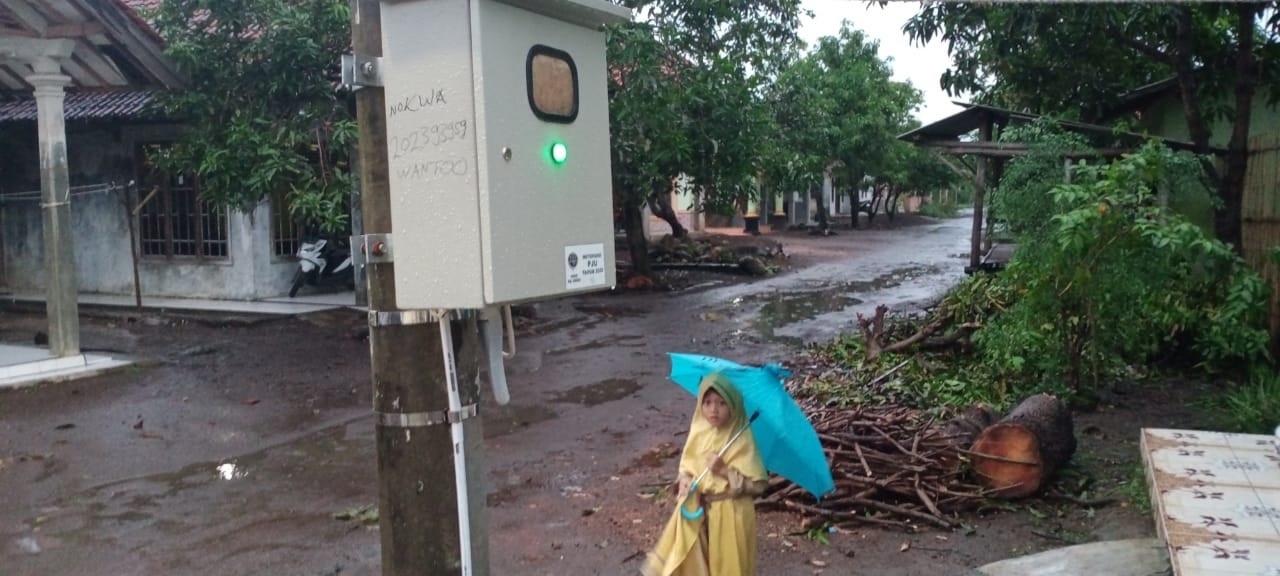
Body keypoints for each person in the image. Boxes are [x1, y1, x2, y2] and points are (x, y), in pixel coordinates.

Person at [642, 373, 768, 576]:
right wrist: (684, 481)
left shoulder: (742, 438)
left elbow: (759, 486)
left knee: (729, 566)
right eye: (707, 402)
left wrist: (724, 471)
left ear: (733, 406)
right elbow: (687, 467)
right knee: (699, 564)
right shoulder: (699, 431)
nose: (713, 410)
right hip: (700, 508)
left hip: (731, 512)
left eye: (721, 403)